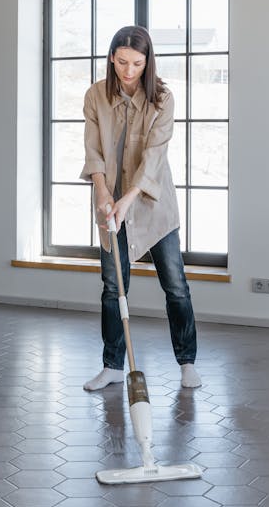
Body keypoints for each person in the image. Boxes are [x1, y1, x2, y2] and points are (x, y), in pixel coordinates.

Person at [80, 25, 201, 391]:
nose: (127, 71)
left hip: (152, 204)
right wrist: (103, 193)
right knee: (113, 287)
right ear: (111, 58)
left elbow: (153, 159)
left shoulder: (162, 99)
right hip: (109, 206)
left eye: (135, 63)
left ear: (147, 62)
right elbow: (93, 151)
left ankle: (187, 362)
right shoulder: (95, 95)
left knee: (175, 285)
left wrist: (126, 199)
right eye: (120, 62)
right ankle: (112, 365)